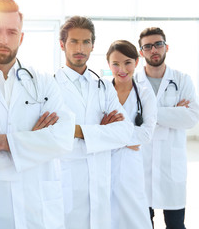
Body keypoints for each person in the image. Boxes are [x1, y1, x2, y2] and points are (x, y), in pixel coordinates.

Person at [0, 0, 75, 229]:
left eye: (12, 32)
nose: (3, 39)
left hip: (37, 205)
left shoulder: (42, 83)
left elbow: (63, 138)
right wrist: (34, 142)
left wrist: (1, 143)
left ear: (21, 37)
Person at [54, 16, 134, 229]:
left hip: (100, 183)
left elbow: (125, 132)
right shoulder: (50, 87)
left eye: (86, 42)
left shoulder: (104, 86)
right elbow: (52, 135)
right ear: (62, 44)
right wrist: (101, 131)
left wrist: (78, 131)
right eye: (74, 41)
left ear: (93, 45)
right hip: (67, 184)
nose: (80, 48)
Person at [135, 27, 199, 229]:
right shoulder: (133, 83)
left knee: (176, 225)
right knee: (144, 223)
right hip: (141, 162)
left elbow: (191, 117)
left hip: (172, 165)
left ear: (166, 47)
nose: (154, 49)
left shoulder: (182, 80)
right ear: (141, 52)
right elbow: (128, 120)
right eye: (147, 46)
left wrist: (149, 115)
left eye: (158, 44)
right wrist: (172, 112)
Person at [106, 40, 156, 229]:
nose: (122, 69)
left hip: (131, 170)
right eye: (115, 64)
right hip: (104, 165)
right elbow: (96, 131)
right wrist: (127, 139)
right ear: (108, 65)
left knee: (135, 219)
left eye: (127, 62)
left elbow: (145, 135)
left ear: (136, 62)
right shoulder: (102, 92)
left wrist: (111, 134)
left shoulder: (145, 94)